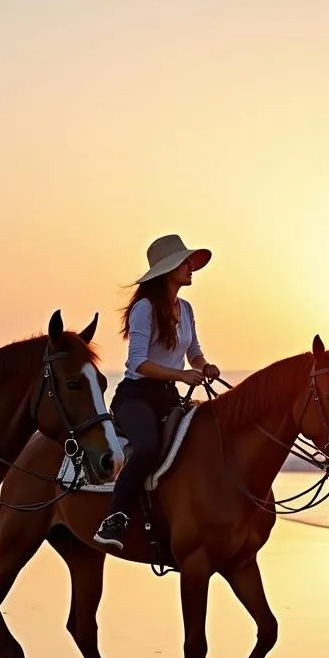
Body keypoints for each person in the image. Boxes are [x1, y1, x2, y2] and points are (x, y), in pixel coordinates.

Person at [93, 234, 221, 550]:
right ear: (168, 270)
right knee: (148, 447)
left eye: (190, 261)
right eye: (185, 262)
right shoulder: (144, 308)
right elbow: (138, 362)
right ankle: (116, 518)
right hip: (136, 396)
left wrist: (205, 366)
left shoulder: (186, 309)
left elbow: (194, 352)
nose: (191, 266)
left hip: (167, 396)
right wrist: (181, 374)